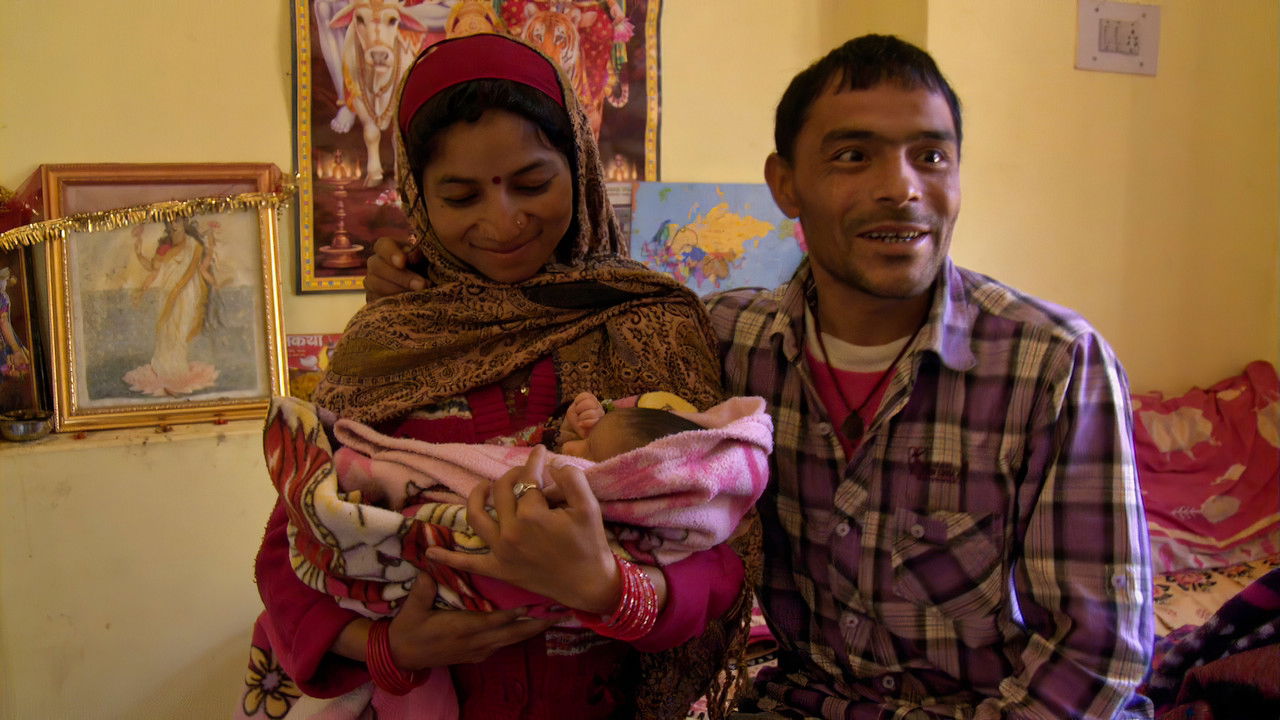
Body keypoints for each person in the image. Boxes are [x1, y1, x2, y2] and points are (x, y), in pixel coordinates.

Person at [365, 33, 1155, 720]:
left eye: (932, 155)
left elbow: (1098, 652)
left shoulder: (1052, 365)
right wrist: (420, 297)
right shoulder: (724, 341)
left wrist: (612, 591)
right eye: (854, 156)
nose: (901, 187)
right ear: (785, 184)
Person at [241, 32, 758, 720]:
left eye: (532, 183)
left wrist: (613, 593)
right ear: (418, 200)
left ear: (578, 166)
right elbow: (297, 543)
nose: (503, 220)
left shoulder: (649, 323)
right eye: (460, 196)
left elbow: (721, 535)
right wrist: (392, 647)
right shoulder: (389, 342)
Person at [123, 218, 220, 397]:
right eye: (170, 223)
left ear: (184, 224)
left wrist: (176, 293)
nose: (174, 225)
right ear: (167, 226)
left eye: (177, 222)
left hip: (186, 295)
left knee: (179, 333)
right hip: (166, 295)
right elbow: (153, 269)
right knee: (165, 332)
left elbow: (195, 270)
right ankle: (166, 374)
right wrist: (141, 287)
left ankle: (178, 374)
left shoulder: (194, 246)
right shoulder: (164, 247)